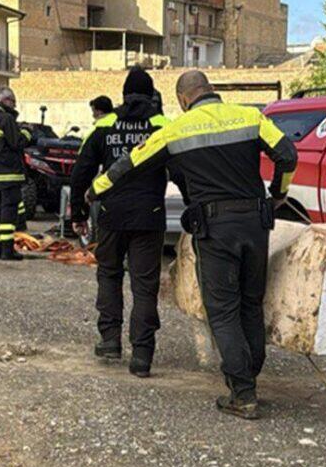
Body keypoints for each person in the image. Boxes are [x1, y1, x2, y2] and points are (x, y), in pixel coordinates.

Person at [86, 70, 297, 418]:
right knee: (250, 303)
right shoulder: (251, 116)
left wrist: (97, 188)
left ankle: (243, 393)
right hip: (255, 224)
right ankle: (249, 378)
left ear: (184, 99)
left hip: (215, 228)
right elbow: (288, 155)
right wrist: (278, 193)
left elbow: (131, 163)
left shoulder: (177, 129)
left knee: (223, 310)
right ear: (210, 90)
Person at [70, 67, 171, 377]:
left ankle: (110, 340)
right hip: (149, 217)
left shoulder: (105, 125)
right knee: (144, 286)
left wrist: (78, 214)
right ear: (151, 93)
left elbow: (81, 171)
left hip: (111, 215)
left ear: (124, 94)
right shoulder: (162, 125)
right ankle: (142, 356)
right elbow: (184, 170)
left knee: (109, 275)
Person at [0, 86, 33, 260]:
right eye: (13, 102)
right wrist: (27, 131)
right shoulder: (6, 119)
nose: (15, 106)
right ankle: (8, 251)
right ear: (5, 101)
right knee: (9, 212)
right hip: (9, 173)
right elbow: (17, 143)